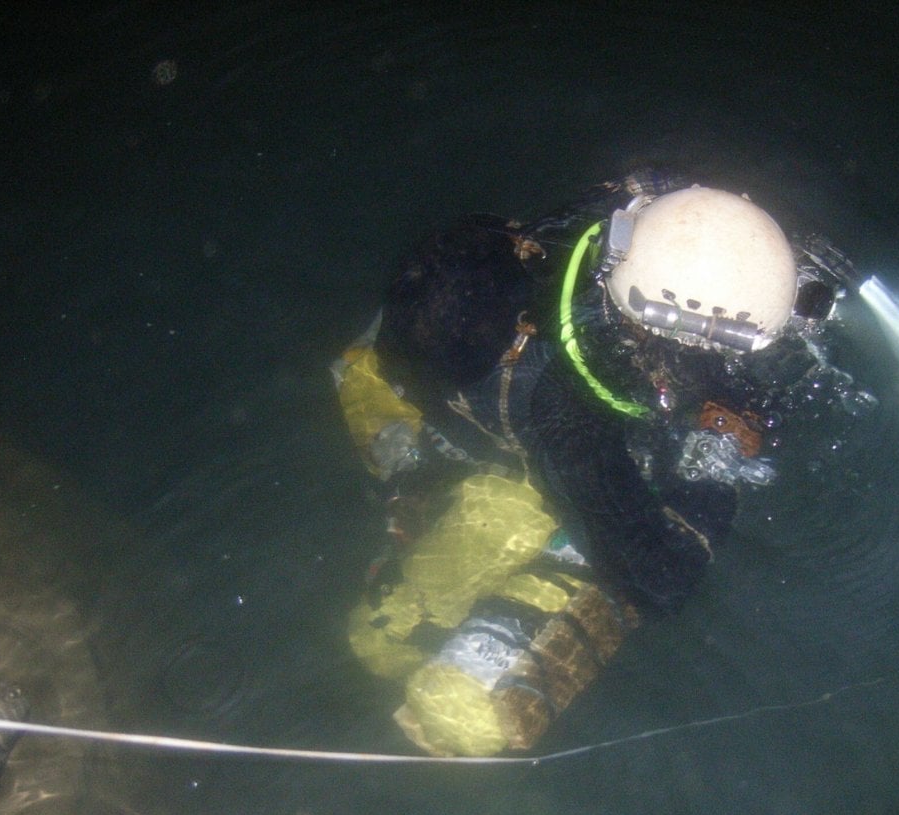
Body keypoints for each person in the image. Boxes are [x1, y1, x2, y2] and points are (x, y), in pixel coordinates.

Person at [332, 170, 863, 756]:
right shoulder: (573, 422)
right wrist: (721, 451)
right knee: (418, 672)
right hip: (466, 432)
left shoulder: (626, 223)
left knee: (378, 638)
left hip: (399, 346)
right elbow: (662, 578)